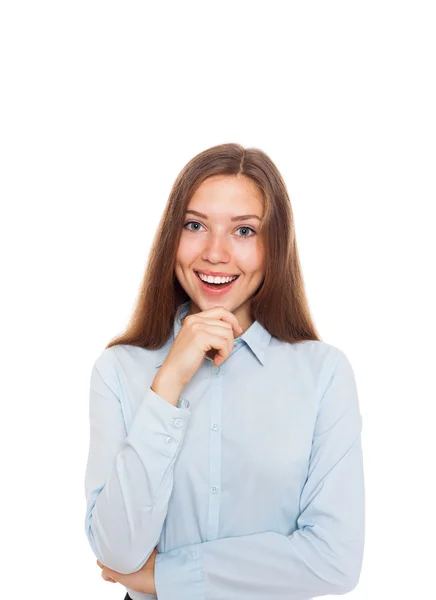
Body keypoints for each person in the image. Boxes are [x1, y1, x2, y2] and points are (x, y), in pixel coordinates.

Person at [84, 142, 365, 600]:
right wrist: (168, 383)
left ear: (274, 246)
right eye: (195, 225)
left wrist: (164, 578)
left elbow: (334, 560)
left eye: (244, 232)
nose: (215, 253)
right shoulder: (119, 370)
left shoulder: (323, 374)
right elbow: (117, 551)